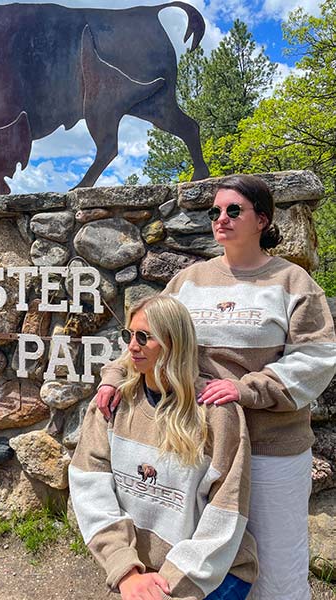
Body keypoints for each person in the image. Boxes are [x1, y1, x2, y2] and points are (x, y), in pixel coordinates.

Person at [96, 174, 336, 600]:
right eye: (214, 212)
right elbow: (150, 333)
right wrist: (115, 378)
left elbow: (316, 359)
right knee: (213, 567)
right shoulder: (190, 281)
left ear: (262, 219)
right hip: (202, 449)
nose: (220, 219)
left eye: (233, 210)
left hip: (269, 451)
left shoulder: (293, 283)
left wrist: (247, 389)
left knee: (278, 572)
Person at [69, 295, 258, 600]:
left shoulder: (216, 414)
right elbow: (90, 489)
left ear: (174, 342)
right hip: (142, 573)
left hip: (213, 573)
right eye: (128, 335)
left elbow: (226, 514)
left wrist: (167, 583)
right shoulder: (112, 405)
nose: (132, 346)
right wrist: (126, 570)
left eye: (144, 337)